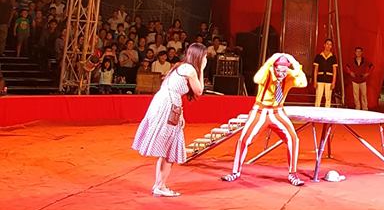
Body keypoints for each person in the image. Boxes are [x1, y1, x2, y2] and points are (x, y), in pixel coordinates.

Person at [131, 42, 206, 197]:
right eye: (204, 57)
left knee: (168, 147)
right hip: (169, 105)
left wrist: (181, 114)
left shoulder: (180, 66)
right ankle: (160, 185)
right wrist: (202, 70)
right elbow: (199, 91)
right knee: (170, 147)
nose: (205, 59)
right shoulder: (191, 69)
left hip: (164, 102)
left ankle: (159, 185)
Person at [222, 52, 307, 187]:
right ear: (274, 67)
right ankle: (235, 172)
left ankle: (293, 173)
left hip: (277, 110)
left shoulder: (289, 75)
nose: (281, 74)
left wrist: (294, 61)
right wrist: (271, 61)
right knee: (244, 139)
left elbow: (303, 82)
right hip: (260, 110)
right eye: (278, 70)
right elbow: (256, 79)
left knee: (293, 139)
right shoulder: (267, 72)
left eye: (284, 70)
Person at [345, 46, 373, 110]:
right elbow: (347, 66)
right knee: (356, 96)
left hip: (363, 80)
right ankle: (357, 108)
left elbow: (372, 66)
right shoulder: (352, 60)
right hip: (354, 80)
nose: (358, 53)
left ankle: (365, 108)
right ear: (355, 52)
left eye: (359, 51)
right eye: (357, 51)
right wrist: (350, 72)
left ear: (362, 52)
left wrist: (368, 73)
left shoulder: (365, 60)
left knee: (364, 95)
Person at [313, 38, 337, 107]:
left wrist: (334, 82)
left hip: (329, 80)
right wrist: (315, 81)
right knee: (318, 98)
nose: (328, 46)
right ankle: (316, 113)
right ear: (324, 45)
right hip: (320, 79)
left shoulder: (333, 57)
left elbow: (334, 71)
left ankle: (327, 113)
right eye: (327, 44)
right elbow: (316, 69)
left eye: (330, 45)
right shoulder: (318, 56)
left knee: (328, 98)